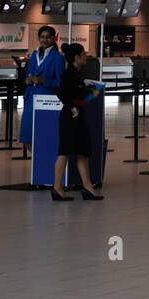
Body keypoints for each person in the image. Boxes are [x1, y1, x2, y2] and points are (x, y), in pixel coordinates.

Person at [50, 43, 103, 202]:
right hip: (70, 118)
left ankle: (87, 187)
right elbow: (62, 93)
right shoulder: (70, 73)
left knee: (82, 151)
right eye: (83, 54)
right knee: (65, 152)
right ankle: (57, 188)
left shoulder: (76, 73)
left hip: (77, 116)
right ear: (77, 57)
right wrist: (72, 106)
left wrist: (89, 92)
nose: (86, 57)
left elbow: (75, 93)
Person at [19, 26, 64, 147]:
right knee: (26, 137)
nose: (45, 40)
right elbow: (29, 73)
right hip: (31, 98)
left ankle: (43, 163)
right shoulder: (34, 55)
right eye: (43, 37)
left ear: (53, 39)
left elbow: (60, 83)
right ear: (39, 38)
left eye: (48, 37)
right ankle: (37, 163)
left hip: (46, 101)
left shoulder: (57, 57)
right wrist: (28, 79)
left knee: (44, 137)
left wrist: (43, 80)